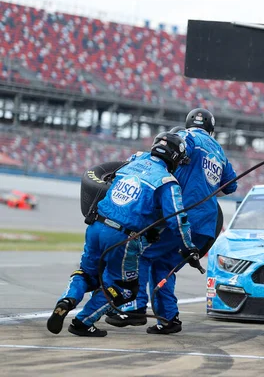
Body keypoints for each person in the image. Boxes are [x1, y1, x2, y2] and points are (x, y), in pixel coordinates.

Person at [46, 133, 195, 337]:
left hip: (96, 226)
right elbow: (177, 220)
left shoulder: (133, 162)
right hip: (122, 237)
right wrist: (189, 247)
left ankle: (67, 299)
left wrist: (149, 231)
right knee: (125, 289)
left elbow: (133, 201)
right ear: (175, 158)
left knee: (87, 273)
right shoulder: (167, 182)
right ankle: (82, 321)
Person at [105, 108, 238, 334]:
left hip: (180, 218)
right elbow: (231, 186)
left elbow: (164, 151)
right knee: (164, 265)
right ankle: (168, 319)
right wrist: (205, 188)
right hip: (206, 226)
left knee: (141, 254)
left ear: (187, 124)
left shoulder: (186, 137)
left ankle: (134, 307)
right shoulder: (220, 153)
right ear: (212, 130)